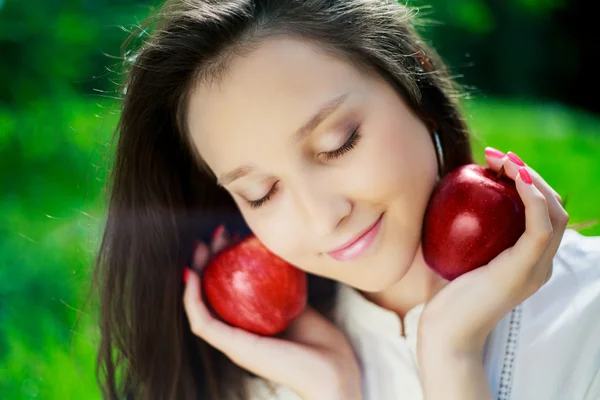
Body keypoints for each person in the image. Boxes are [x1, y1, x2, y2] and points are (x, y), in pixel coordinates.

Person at [92, 0, 600, 399]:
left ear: (414, 84)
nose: (324, 217)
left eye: (340, 143)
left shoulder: (588, 317)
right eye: (261, 192)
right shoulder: (261, 377)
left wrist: (451, 353)